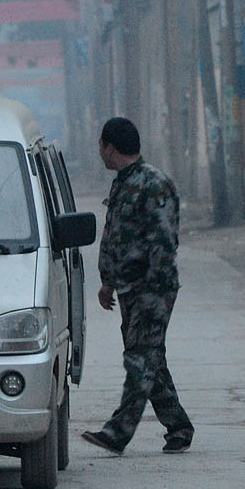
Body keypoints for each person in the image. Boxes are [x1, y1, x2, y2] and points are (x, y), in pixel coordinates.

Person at [81, 116, 195, 455]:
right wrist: (108, 283)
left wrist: (153, 291)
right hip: (129, 287)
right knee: (150, 359)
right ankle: (179, 426)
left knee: (139, 358)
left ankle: (119, 430)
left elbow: (163, 241)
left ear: (109, 147)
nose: (99, 152)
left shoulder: (154, 183)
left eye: (100, 146)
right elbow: (117, 237)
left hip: (151, 289)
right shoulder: (123, 183)